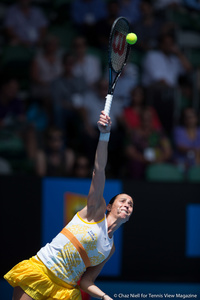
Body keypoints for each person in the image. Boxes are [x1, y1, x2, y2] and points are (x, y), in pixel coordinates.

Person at [4, 111, 134, 300]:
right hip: (42, 272)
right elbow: (99, 170)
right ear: (109, 206)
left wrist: (105, 297)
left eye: (131, 204)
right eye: (123, 200)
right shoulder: (95, 212)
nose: (127, 205)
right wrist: (105, 135)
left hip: (65, 291)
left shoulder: (110, 248)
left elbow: (86, 282)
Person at [125, 107, 172, 179]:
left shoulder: (159, 133)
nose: (146, 121)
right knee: (135, 166)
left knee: (170, 164)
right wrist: (143, 159)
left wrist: (158, 160)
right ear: (140, 119)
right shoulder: (133, 133)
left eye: (148, 118)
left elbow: (168, 150)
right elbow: (130, 151)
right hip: (140, 161)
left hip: (158, 160)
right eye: (144, 119)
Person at [173, 107, 200, 172]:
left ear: (196, 118)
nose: (189, 119)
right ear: (184, 119)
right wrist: (195, 150)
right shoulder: (178, 130)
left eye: (192, 117)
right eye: (187, 117)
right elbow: (180, 147)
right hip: (181, 162)